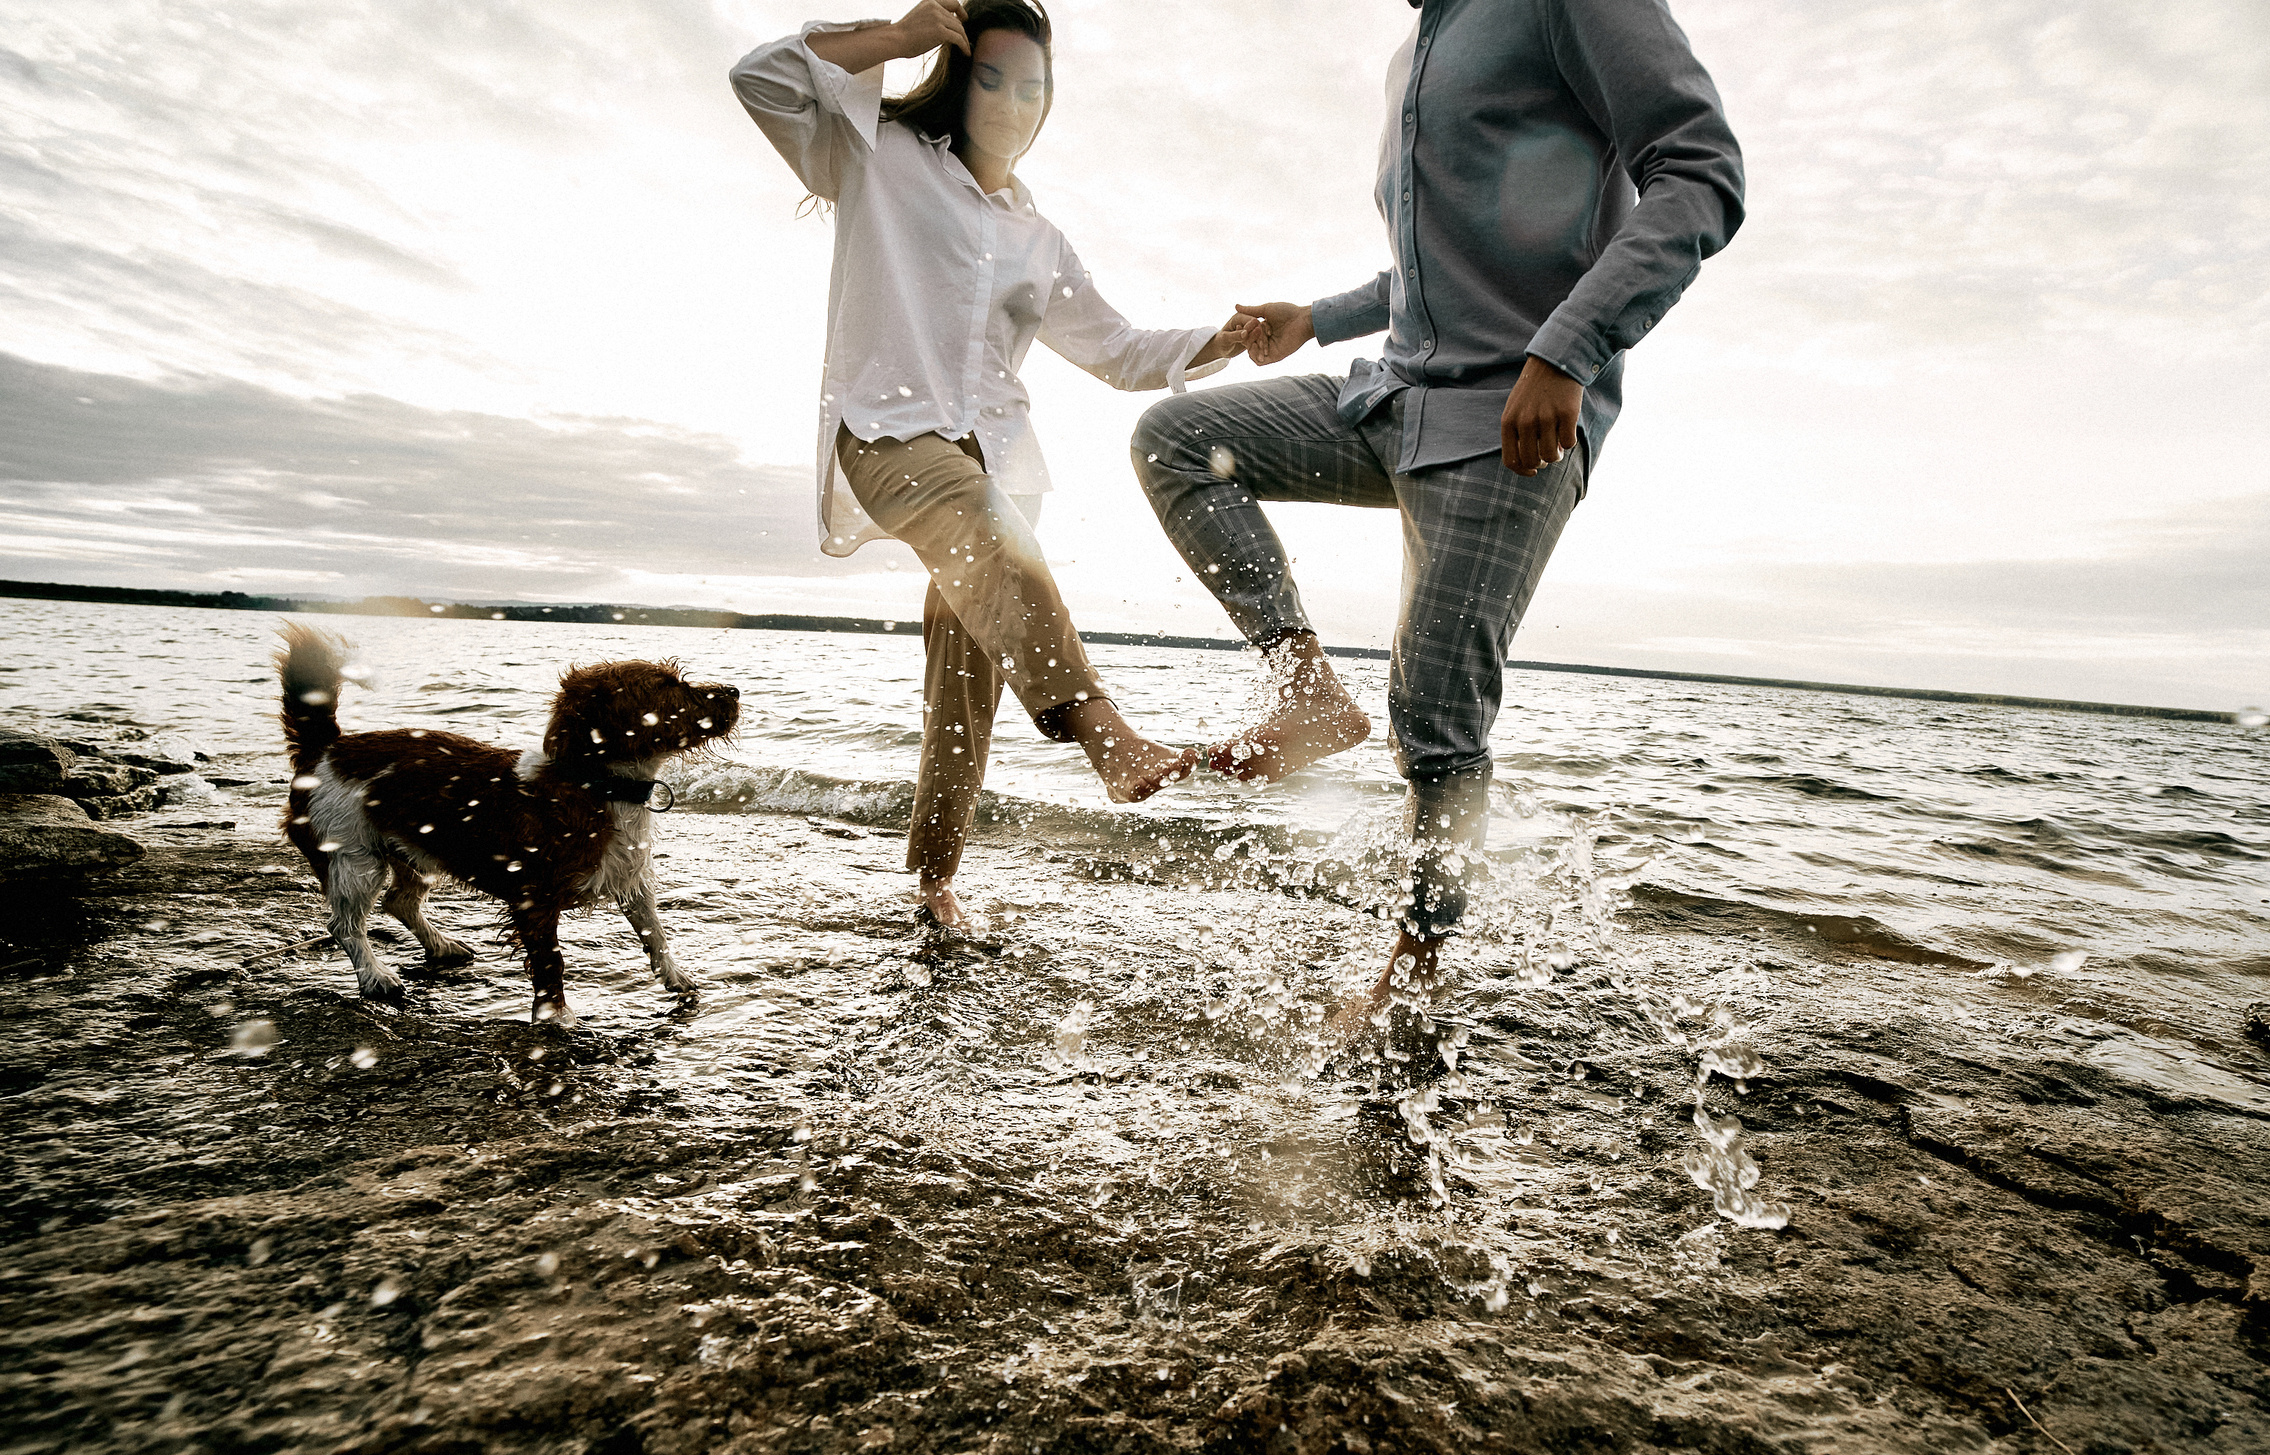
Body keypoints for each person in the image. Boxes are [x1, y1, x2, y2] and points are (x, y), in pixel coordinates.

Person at [1131, 0, 1745, 1023]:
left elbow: (1700, 172)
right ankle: (1306, 690)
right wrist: (1317, 318)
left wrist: (1570, 349)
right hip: (1393, 396)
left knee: (1435, 717)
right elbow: (1442, 262)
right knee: (1177, 439)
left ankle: (1412, 978)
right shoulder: (1415, 47)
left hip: (1514, 419)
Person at [732, 0, 1248, 930]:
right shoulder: (878, 158)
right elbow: (761, 77)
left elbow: (1120, 350)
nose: (1014, 102)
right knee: (987, 533)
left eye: (1033, 87)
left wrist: (1227, 337)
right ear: (959, 80)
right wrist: (896, 38)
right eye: (994, 78)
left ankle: (933, 884)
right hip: (889, 436)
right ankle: (1104, 734)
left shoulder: (1038, 239)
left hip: (1004, 463)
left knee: (965, 685)